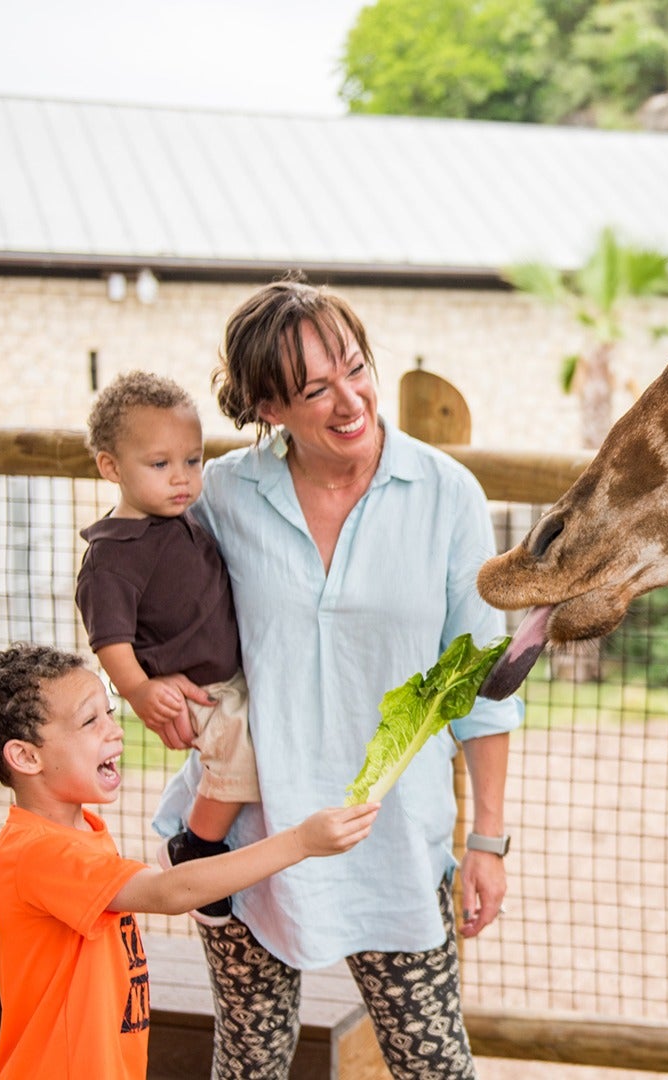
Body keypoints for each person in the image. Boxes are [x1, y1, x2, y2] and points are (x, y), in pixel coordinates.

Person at [145, 278, 522, 1078]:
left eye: (355, 368)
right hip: (249, 840)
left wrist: (487, 840)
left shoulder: (445, 494)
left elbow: (481, 686)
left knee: (433, 1066)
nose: (350, 399)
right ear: (268, 408)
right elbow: (155, 602)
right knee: (247, 1064)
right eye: (315, 389)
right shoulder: (222, 496)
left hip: (394, 843)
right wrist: (155, 687)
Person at [0, 643, 378, 1080]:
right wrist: (299, 842)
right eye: (89, 720)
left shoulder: (80, 831)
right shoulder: (38, 853)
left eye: (109, 712)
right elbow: (168, 891)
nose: (114, 731)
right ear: (26, 756)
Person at [77, 370, 253, 924]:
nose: (181, 478)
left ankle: (196, 825)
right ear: (111, 467)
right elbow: (110, 637)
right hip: (197, 690)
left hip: (230, 675)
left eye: (192, 461)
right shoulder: (113, 555)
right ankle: (194, 848)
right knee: (241, 756)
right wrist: (138, 690)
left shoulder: (180, 518)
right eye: (160, 465)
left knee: (249, 751)